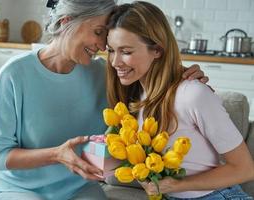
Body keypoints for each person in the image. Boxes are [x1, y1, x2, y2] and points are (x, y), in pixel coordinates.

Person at [0, 0, 208, 200]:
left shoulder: (105, 74)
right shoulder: (14, 75)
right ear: (67, 22)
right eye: (98, 32)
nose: (103, 46)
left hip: (78, 189)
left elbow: (151, 80)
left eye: (106, 36)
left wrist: (182, 76)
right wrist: (57, 154)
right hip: (17, 189)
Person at [105, 1, 254, 199]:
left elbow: (244, 169)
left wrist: (176, 185)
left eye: (126, 52)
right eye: (111, 50)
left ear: (157, 50)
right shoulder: (135, 96)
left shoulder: (193, 95)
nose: (115, 62)